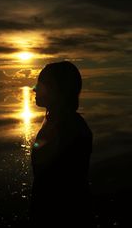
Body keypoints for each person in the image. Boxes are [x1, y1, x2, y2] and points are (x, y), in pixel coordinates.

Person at [29, 61, 93, 227]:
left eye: (40, 84)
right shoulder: (60, 123)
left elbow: (57, 187)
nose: (34, 89)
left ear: (56, 90)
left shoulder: (67, 129)